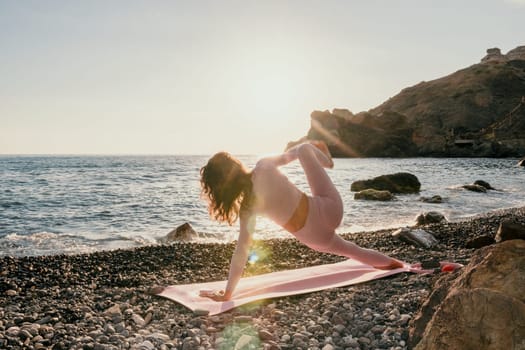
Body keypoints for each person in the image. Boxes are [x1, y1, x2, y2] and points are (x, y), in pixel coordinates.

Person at [199, 141, 403, 301]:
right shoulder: (264, 165)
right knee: (305, 149)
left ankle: (397, 265)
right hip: (328, 210)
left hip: (314, 238)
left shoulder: (247, 207)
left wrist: (228, 293)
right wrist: (321, 160)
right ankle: (328, 163)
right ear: (236, 164)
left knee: (352, 250)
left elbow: (242, 250)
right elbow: (295, 154)